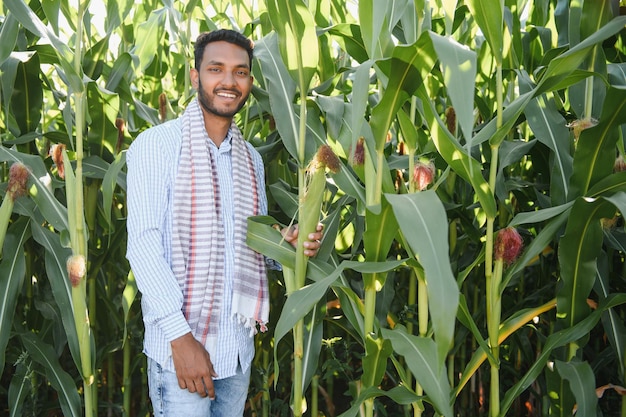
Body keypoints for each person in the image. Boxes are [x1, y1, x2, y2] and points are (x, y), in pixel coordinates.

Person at [125, 29, 323, 417]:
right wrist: (181, 341)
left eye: (241, 72)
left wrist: (286, 244)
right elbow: (144, 248)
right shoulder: (157, 145)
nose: (229, 81)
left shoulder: (251, 159)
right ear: (195, 76)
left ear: (249, 81)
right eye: (216, 69)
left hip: (236, 352)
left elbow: (248, 242)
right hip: (180, 352)